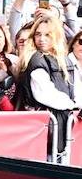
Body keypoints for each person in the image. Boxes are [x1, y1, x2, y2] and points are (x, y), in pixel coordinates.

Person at [16, 15, 78, 163]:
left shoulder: (65, 59)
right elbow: (44, 94)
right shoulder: (36, 59)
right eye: (38, 34)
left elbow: (75, 86)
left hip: (62, 123)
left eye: (47, 35)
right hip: (45, 126)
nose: (42, 39)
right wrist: (73, 105)